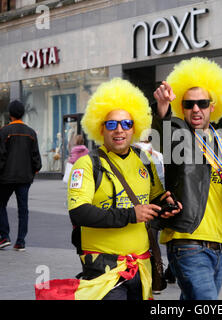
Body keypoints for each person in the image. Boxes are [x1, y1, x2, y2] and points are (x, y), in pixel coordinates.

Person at [35, 78, 181, 300]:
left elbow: (153, 197)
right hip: (104, 269)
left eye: (126, 124)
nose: (119, 130)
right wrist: (131, 214)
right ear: (100, 128)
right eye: (111, 124)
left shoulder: (144, 159)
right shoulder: (87, 163)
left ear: (135, 127)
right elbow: (79, 212)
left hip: (141, 266)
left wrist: (165, 205)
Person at [152, 57, 222, 300]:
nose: (196, 109)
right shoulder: (178, 133)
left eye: (202, 103)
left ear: (213, 106)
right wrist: (162, 108)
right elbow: (162, 135)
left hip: (216, 245)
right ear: (181, 108)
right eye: (189, 104)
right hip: (188, 242)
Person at [0, 100, 42, 251]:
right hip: (25, 178)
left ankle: (4, 236)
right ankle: (20, 242)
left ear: (9, 114)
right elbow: (36, 157)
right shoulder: (30, 132)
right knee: (23, 209)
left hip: (6, 178)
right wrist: (34, 171)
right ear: (22, 113)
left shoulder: (4, 131)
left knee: (1, 205)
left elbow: (1, 156)